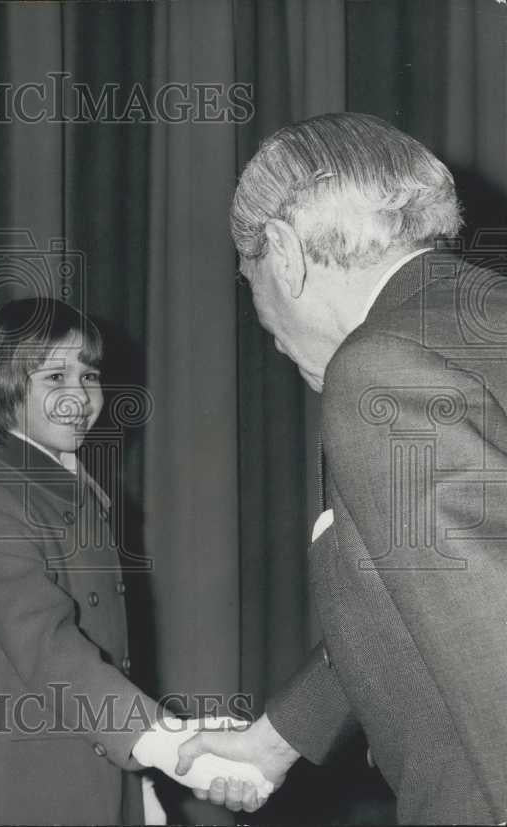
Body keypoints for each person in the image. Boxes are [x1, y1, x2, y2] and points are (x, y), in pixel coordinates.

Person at [174, 112, 507, 824]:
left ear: (286, 253)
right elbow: (434, 595)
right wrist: (275, 740)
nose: (268, 332)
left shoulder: (378, 371)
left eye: (252, 283)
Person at [0, 298, 270, 825]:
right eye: (55, 377)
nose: (79, 397)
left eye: (89, 376)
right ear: (4, 390)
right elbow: (52, 650)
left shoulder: (75, 490)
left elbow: (108, 659)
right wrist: (175, 746)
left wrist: (137, 786)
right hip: (19, 792)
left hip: (91, 778)